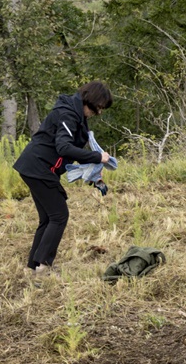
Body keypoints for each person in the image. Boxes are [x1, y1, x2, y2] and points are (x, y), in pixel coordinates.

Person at [13, 81, 116, 278]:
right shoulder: (68, 114)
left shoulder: (74, 114)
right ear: (91, 101)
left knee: (48, 218)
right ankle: (43, 267)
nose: (99, 113)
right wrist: (98, 157)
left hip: (34, 167)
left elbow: (72, 150)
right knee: (59, 215)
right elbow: (64, 148)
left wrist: (95, 176)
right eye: (100, 107)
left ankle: (32, 267)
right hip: (39, 168)